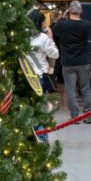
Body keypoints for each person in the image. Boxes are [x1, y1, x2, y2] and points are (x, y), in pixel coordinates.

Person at [52, 1, 91, 124]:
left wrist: (62, 17)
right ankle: (88, 115)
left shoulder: (63, 25)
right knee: (86, 89)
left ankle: (74, 116)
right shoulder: (87, 24)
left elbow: (54, 30)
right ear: (81, 11)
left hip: (68, 62)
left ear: (69, 11)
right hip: (83, 61)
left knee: (70, 90)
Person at [28, 9, 60, 141]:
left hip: (26, 76)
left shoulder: (21, 37)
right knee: (41, 109)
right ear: (41, 23)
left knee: (28, 108)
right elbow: (55, 54)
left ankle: (30, 138)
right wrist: (50, 38)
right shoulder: (43, 38)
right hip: (40, 77)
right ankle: (42, 138)